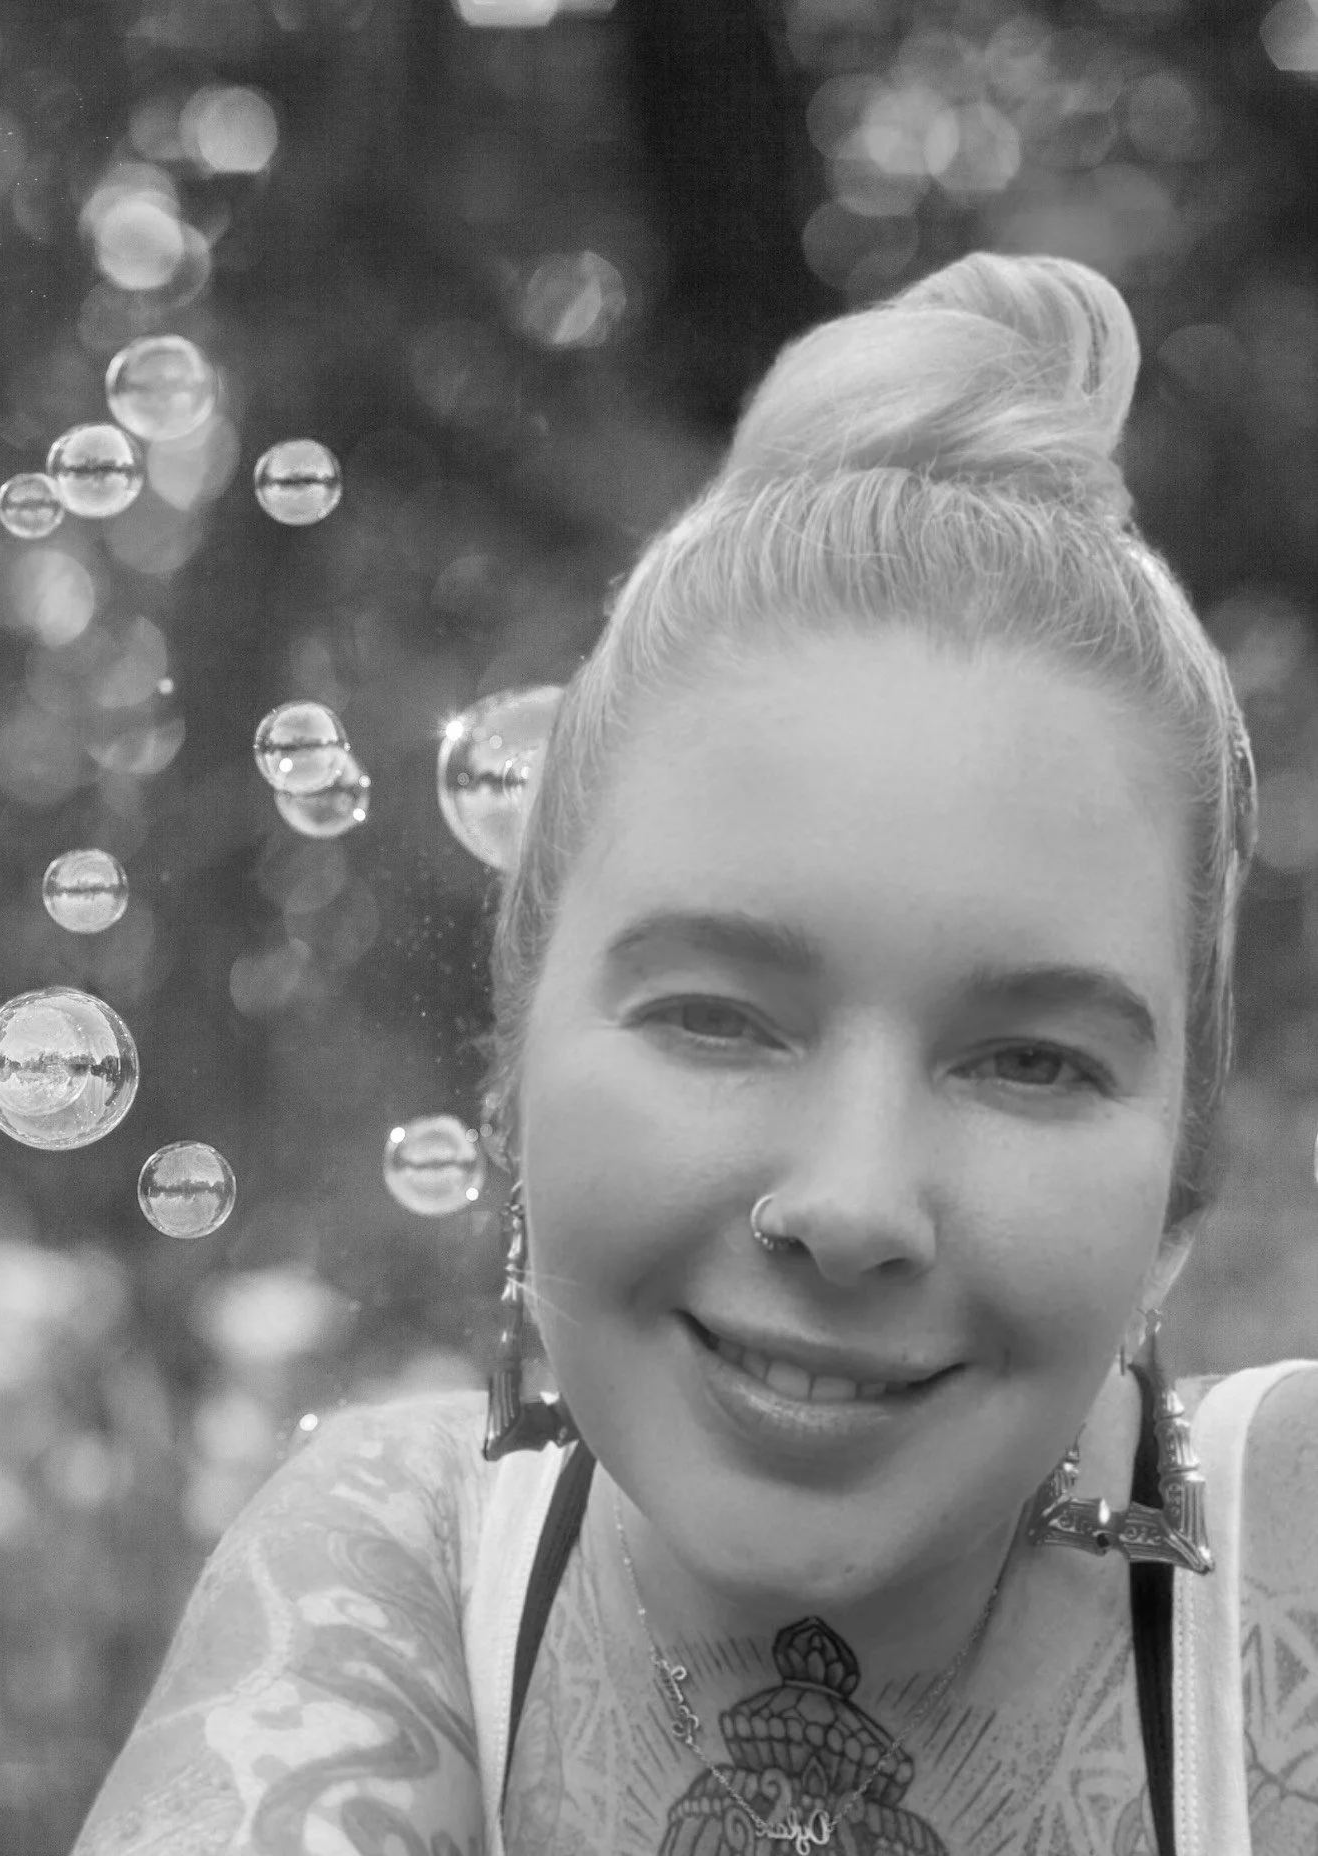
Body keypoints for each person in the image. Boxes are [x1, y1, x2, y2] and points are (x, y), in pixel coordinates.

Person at [68, 250, 1318, 1856]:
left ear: (1184, 1177)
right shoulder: (399, 1565)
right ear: (513, 1072)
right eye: (717, 1019)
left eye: (1031, 1062)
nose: (853, 1205)